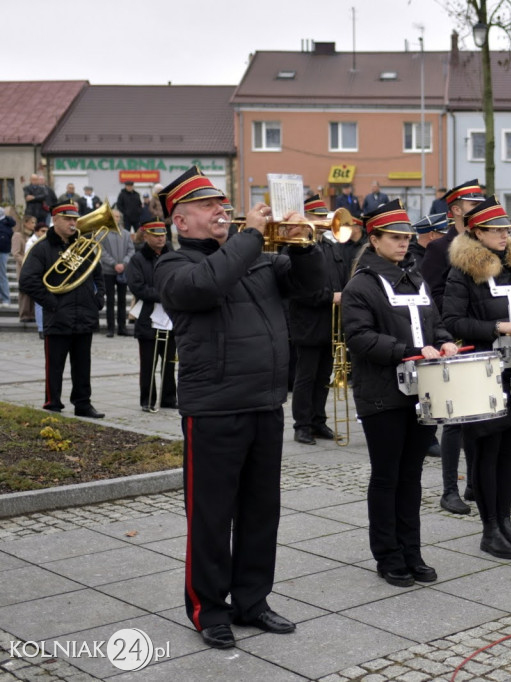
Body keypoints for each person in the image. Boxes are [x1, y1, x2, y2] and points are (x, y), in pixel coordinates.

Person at [154, 166, 324, 649]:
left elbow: (311, 288)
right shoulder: (174, 266)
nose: (221, 210)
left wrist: (302, 245)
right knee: (211, 516)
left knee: (260, 512)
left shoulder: (257, 258)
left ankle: (252, 600)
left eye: (222, 204)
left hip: (265, 403)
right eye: (208, 206)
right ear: (181, 221)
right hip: (214, 409)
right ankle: (208, 608)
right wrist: (250, 234)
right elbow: (208, 285)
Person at [342, 199, 457, 586]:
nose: (403, 243)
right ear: (374, 240)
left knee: (411, 476)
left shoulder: (416, 279)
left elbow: (435, 323)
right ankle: (388, 555)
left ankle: (412, 551)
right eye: (394, 237)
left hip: (423, 391)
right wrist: (409, 351)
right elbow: (360, 338)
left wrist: (445, 341)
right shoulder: (361, 285)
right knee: (387, 476)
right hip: (382, 394)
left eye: (406, 237)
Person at [443, 196, 511, 559]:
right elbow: (452, 321)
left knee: (508, 450)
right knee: (486, 451)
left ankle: (506, 522)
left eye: (506, 229)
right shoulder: (462, 271)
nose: (505, 235)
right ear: (477, 232)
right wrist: (497, 327)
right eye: (496, 230)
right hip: (481, 370)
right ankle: (490, 530)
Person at [421, 180, 486, 515]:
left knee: (479, 415)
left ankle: (474, 482)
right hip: (452, 340)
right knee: (455, 419)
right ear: (456, 210)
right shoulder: (439, 247)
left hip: (480, 337)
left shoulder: (483, 244)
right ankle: (450, 490)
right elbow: (428, 295)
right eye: (472, 204)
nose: (479, 207)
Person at [19, 202, 105, 418]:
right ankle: (53, 403)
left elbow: (98, 274)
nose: (73, 223)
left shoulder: (84, 244)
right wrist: (52, 304)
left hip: (85, 314)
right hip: (58, 316)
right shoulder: (42, 248)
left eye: (75, 219)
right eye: (67, 219)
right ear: (55, 220)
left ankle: (83, 404)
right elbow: (27, 280)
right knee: (55, 365)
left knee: (83, 365)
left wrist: (98, 298)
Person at [289, 194, 350, 445]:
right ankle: (302, 425)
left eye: (325, 217)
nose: (324, 221)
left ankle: (317, 421)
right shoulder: (296, 248)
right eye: (317, 217)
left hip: (330, 322)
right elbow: (297, 290)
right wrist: (329, 297)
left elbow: (341, 279)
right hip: (308, 321)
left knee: (324, 375)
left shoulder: (331, 246)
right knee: (306, 377)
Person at [127, 221, 176, 411]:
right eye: (156, 235)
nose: (161, 238)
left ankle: (169, 399)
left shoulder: (172, 256)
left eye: (163, 234)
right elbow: (137, 286)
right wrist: (164, 295)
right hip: (148, 316)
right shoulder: (138, 259)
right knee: (148, 363)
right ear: (146, 236)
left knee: (170, 362)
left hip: (170, 317)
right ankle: (147, 400)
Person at [98, 213, 135, 337]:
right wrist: (114, 264)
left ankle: (122, 327)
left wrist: (124, 263)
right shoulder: (102, 234)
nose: (116, 218)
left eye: (118, 216)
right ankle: (110, 328)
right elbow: (101, 251)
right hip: (108, 271)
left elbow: (131, 250)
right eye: (113, 216)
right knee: (110, 300)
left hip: (123, 271)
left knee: (122, 300)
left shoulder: (126, 234)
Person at [12, 212, 38, 321]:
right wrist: (26, 262)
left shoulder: (31, 236)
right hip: (23, 268)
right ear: (25, 223)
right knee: (24, 292)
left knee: (32, 291)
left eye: (35, 222)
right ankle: (24, 314)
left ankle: (31, 314)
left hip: (32, 268)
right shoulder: (18, 235)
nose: (34, 225)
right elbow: (16, 253)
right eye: (32, 222)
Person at [0, 206, 14, 305]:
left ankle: (5, 299)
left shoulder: (4, 224)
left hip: (2, 251)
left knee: (2, 275)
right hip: (4, 250)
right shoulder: (6, 224)